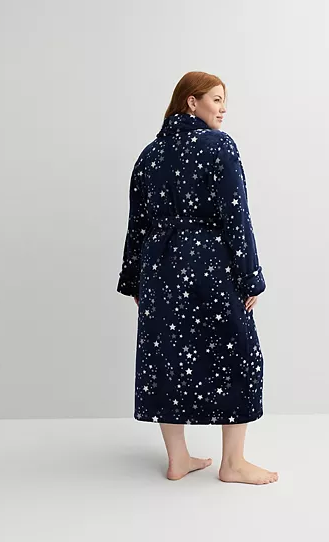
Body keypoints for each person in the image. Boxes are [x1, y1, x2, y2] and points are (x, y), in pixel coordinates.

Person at [117, 71, 278, 485]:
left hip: (158, 268)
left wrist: (134, 281)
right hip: (210, 264)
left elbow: (137, 224)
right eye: (217, 100)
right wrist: (251, 278)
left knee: (166, 356)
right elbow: (236, 216)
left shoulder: (149, 155)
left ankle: (178, 459)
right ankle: (233, 463)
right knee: (239, 353)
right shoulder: (219, 145)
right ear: (192, 101)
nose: (223, 110)